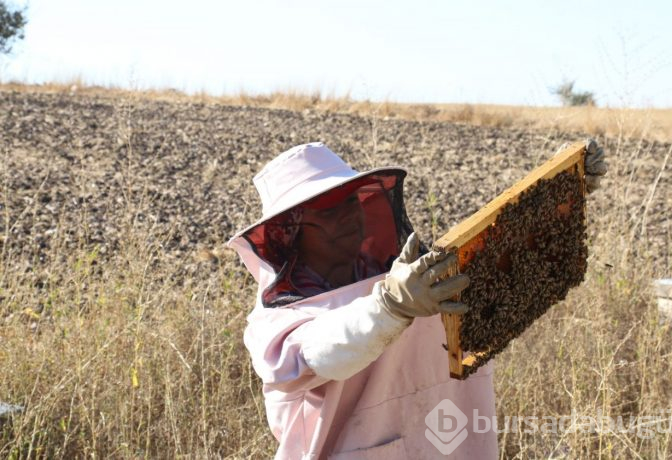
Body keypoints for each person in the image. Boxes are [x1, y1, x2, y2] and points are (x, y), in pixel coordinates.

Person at [226, 141, 607, 459]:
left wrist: (558, 199)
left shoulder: (408, 274)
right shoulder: (276, 322)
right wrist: (390, 306)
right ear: (290, 232)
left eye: (351, 200)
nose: (348, 214)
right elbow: (323, 352)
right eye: (328, 209)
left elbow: (502, 269)